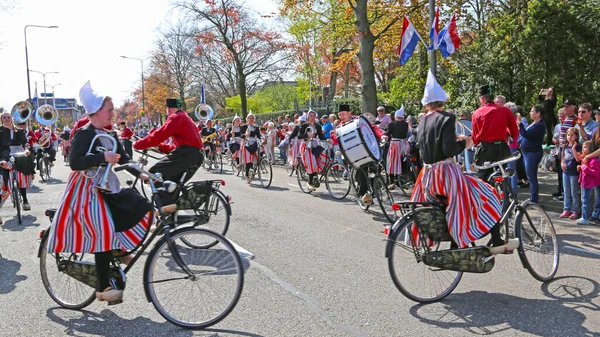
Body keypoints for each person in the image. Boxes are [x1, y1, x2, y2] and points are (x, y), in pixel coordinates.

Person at [46, 81, 153, 303]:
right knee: (103, 231)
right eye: (110, 110)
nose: (113, 114)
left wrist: (141, 173)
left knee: (140, 204)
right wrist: (102, 157)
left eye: (113, 110)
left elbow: (124, 158)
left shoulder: (111, 134)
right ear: (96, 111)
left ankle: (119, 249)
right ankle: (104, 287)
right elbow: (75, 162)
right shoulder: (84, 133)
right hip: (85, 189)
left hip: (106, 186)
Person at [410, 70, 515, 251]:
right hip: (446, 174)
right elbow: (449, 149)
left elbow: (426, 145)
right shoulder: (447, 117)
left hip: (427, 176)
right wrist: (464, 143)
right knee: (488, 194)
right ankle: (494, 241)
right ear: (442, 100)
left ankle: (454, 240)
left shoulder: (422, 121)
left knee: (450, 202)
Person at [133, 98, 204, 206]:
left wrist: (138, 144)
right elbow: (178, 147)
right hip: (195, 155)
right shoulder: (185, 117)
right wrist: (160, 147)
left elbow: (158, 135)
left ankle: (165, 212)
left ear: (169, 109)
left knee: (155, 174)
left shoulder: (175, 117)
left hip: (187, 154)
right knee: (173, 184)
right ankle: (171, 213)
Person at [471, 84, 519, 181]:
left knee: (483, 177)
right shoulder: (505, 110)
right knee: (503, 173)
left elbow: (475, 137)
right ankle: (506, 192)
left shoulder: (477, 113)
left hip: (485, 150)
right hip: (502, 148)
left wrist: (476, 143)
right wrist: (511, 139)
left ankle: (487, 193)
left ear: (483, 99)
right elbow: (514, 130)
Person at [0, 112, 33, 216]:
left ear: (12, 118)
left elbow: (25, 142)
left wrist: (27, 149)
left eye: (8, 117)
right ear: (1, 120)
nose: (6, 119)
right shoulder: (0, 131)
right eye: (4, 118)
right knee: (3, 179)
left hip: (18, 154)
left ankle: (25, 200)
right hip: (4, 156)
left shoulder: (19, 131)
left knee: (20, 174)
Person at [517, 105, 546, 203]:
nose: (530, 113)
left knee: (531, 176)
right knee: (530, 175)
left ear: (538, 113)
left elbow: (525, 134)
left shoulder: (539, 125)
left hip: (532, 153)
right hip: (527, 152)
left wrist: (520, 123)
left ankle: (534, 199)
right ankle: (533, 197)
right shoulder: (534, 123)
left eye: (532, 111)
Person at [298, 110, 328, 191]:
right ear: (308, 117)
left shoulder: (317, 126)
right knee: (312, 162)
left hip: (314, 145)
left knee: (322, 158)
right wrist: (307, 135)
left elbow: (321, 136)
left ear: (315, 117)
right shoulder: (304, 125)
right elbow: (299, 136)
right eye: (310, 115)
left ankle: (315, 177)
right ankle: (310, 183)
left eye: (313, 116)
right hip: (306, 146)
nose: (312, 117)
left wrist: (327, 140)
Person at [386, 106, 410, 190]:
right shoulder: (406, 124)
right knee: (402, 160)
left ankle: (392, 181)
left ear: (396, 116)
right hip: (404, 144)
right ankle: (402, 178)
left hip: (395, 144)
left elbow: (388, 133)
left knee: (392, 162)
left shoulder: (392, 124)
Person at [559, 128, 581, 219]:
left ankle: (575, 210)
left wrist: (573, 149)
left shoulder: (578, 146)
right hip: (566, 171)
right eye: (568, 135)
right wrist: (562, 163)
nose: (569, 137)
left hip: (574, 172)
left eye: (572, 135)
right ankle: (566, 209)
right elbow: (563, 157)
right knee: (566, 191)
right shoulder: (565, 146)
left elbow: (577, 159)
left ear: (576, 136)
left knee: (574, 191)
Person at [577, 141, 600, 225]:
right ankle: (584, 216)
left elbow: (595, 172)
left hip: (589, 183)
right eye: (583, 147)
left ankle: (585, 218)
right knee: (583, 200)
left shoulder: (594, 160)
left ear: (591, 149)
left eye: (585, 147)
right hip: (584, 182)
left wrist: (584, 168)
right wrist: (580, 168)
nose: (583, 149)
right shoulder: (585, 158)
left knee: (586, 200)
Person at [239, 112, 262, 183]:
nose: (251, 119)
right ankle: (247, 175)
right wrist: (245, 135)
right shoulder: (244, 126)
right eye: (250, 118)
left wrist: (262, 138)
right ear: (247, 119)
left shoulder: (256, 127)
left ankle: (254, 169)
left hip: (254, 142)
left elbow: (258, 135)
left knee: (259, 155)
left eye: (252, 118)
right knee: (248, 160)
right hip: (247, 143)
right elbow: (241, 135)